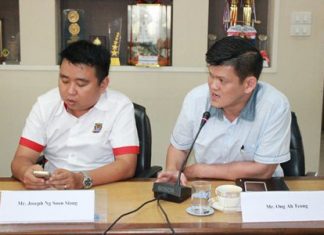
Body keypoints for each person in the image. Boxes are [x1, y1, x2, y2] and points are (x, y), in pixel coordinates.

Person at [156, 36, 291, 185]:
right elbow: (179, 149)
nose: (213, 86)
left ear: (249, 84)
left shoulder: (275, 105)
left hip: (258, 188)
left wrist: (200, 170)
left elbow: (263, 169)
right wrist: (173, 171)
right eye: (211, 75)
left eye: (221, 80)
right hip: (206, 189)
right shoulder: (196, 99)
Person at [11, 40, 139, 190]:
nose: (70, 91)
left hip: (101, 186)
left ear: (103, 84)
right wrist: (25, 172)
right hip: (52, 190)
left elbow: (127, 165)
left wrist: (81, 179)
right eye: (64, 80)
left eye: (81, 84)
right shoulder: (45, 104)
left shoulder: (119, 107)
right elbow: (21, 159)